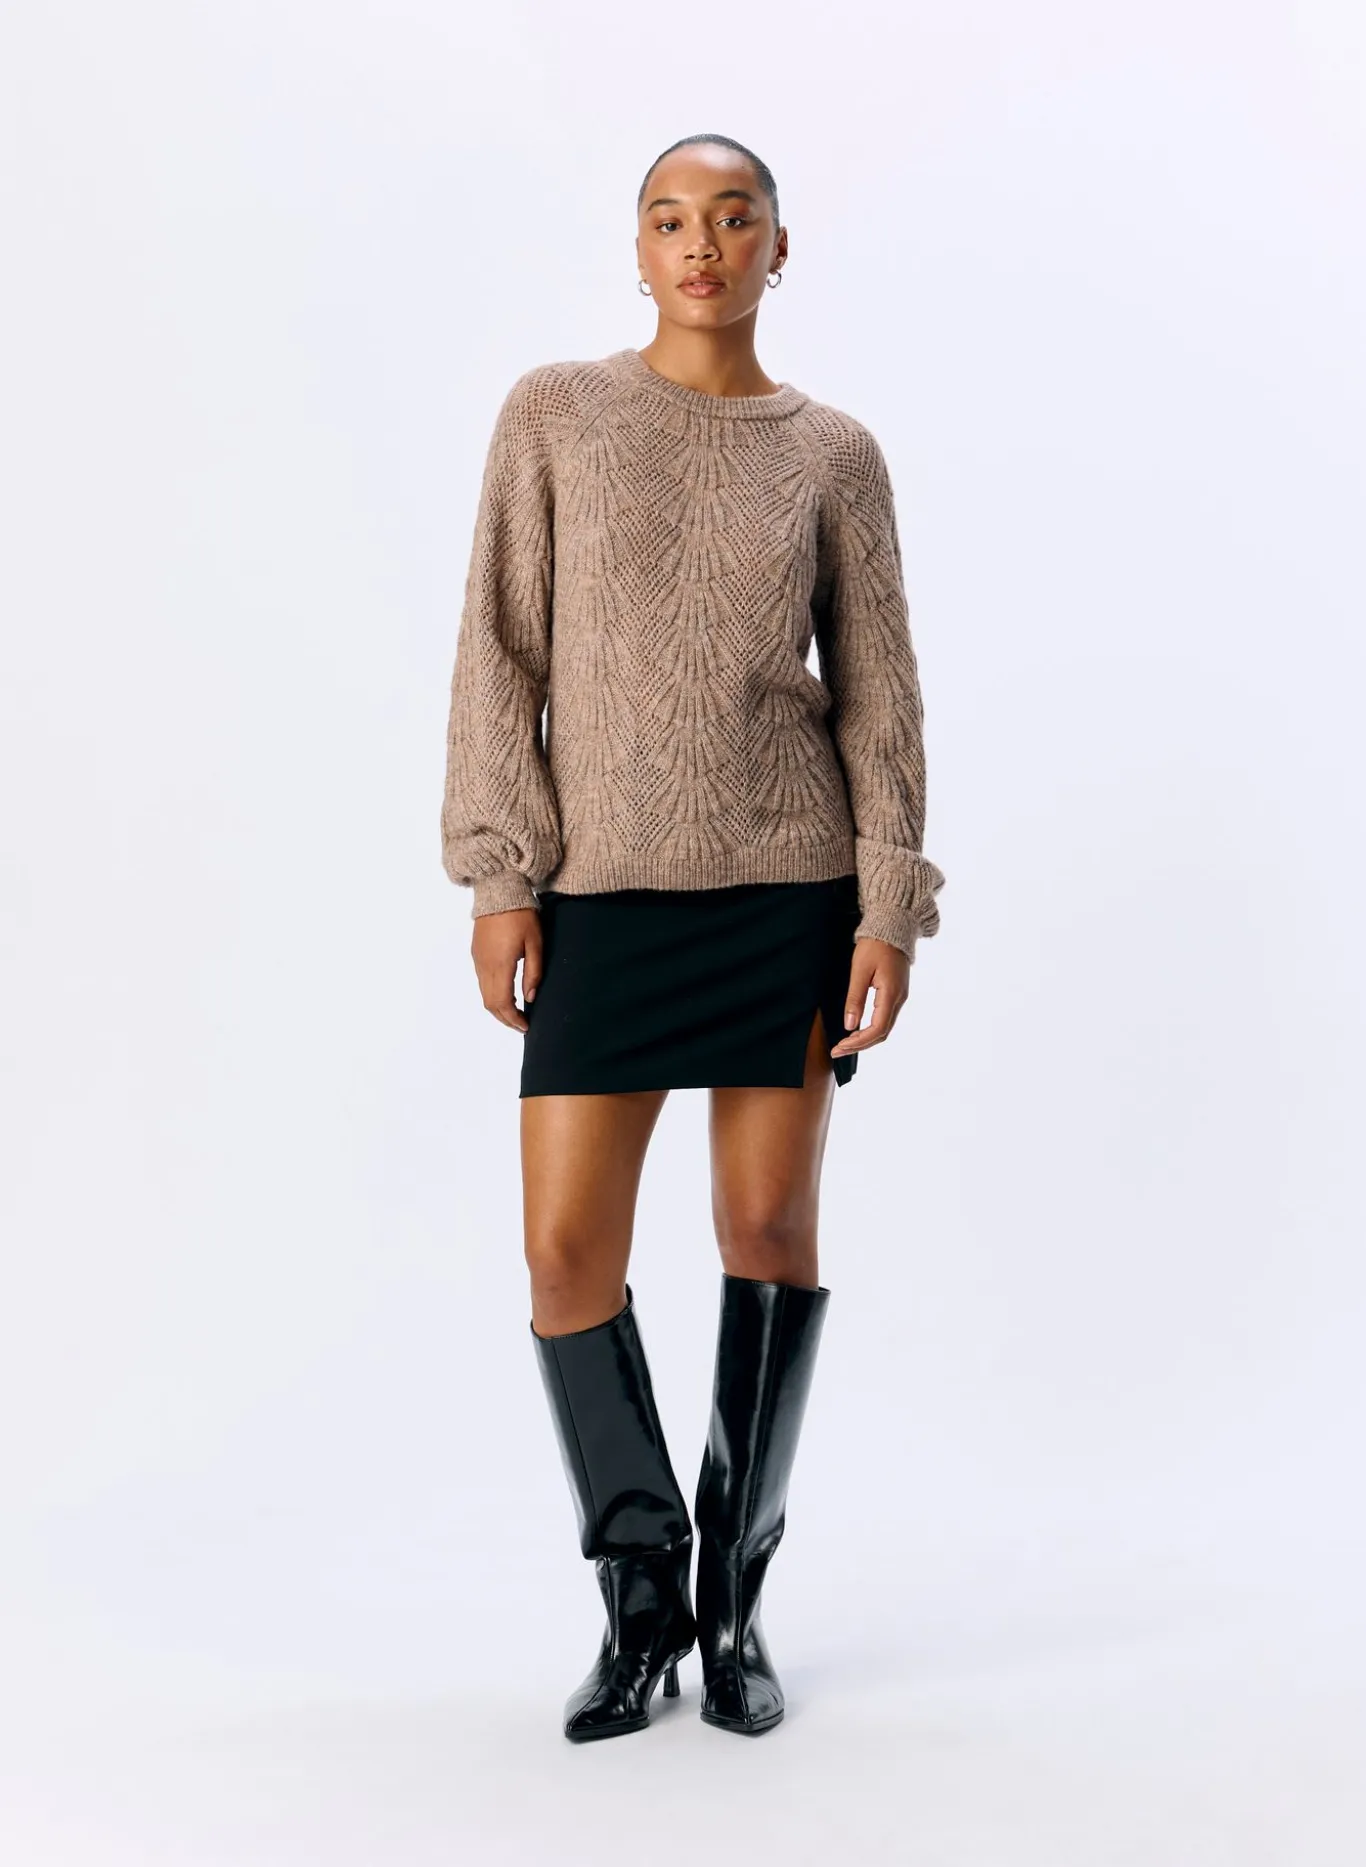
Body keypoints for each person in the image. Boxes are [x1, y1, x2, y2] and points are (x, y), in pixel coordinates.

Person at [440, 132, 946, 1741]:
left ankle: (732, 1607)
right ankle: (639, 1591)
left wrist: (888, 901)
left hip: (786, 888)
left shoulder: (835, 454)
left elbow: (879, 691)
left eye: (734, 217)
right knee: (564, 1253)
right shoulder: (555, 414)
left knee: (768, 1229)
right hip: (599, 893)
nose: (703, 243)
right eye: (671, 218)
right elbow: (500, 648)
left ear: (779, 248)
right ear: (639, 248)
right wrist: (501, 875)